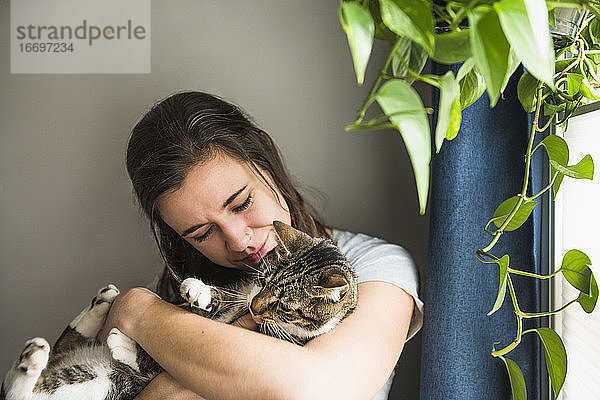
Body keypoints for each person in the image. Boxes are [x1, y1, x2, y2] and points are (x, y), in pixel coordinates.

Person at [97, 91, 424, 400]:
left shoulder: (375, 265)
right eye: (202, 234)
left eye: (241, 203)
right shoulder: (181, 290)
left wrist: (138, 312)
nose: (239, 240)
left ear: (264, 156)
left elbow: (318, 389)